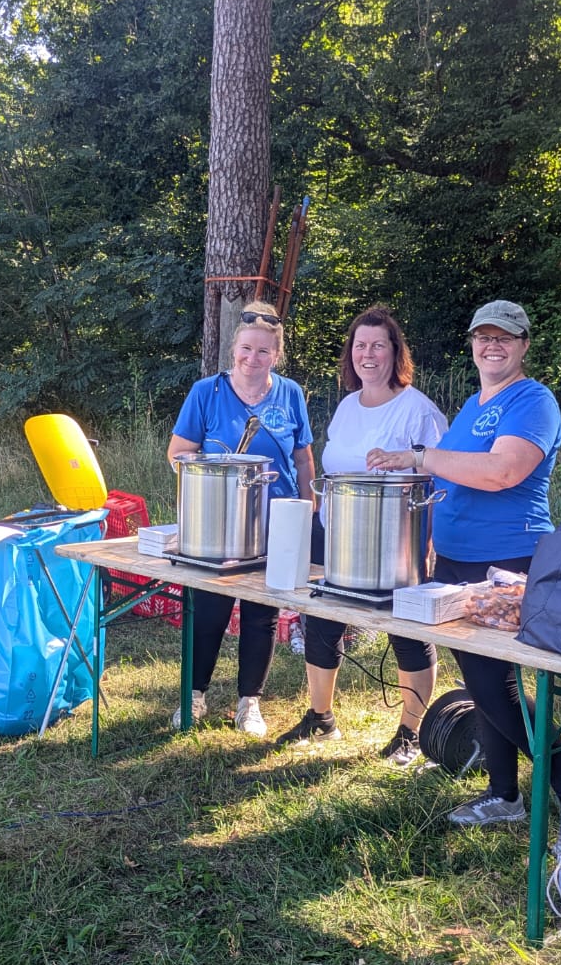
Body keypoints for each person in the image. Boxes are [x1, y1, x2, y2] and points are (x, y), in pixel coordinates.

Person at [366, 299, 561, 857]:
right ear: (472, 345)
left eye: (505, 337)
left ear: (524, 345)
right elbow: (454, 480)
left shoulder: (534, 401)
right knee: (480, 684)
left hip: (507, 563)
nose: (492, 346)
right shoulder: (474, 404)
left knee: (497, 690)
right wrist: (430, 541)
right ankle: (504, 795)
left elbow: (502, 472)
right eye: (483, 337)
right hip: (454, 562)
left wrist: (419, 457)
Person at [274, 305, 447, 765]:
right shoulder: (348, 407)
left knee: (406, 633)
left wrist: (429, 543)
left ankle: (411, 732)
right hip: (336, 534)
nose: (367, 354)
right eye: (360, 345)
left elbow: (442, 478)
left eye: (378, 345)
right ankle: (321, 717)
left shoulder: (419, 410)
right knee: (322, 619)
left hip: (396, 541)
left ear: (396, 352)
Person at [167, 302, 316, 736]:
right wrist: (209, 476)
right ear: (233, 348)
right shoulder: (206, 392)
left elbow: (304, 459)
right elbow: (178, 454)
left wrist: (308, 508)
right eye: (246, 349)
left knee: (261, 613)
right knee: (209, 608)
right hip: (217, 520)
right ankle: (193, 694)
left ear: (277, 356)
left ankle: (249, 702)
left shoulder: (290, 394)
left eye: (264, 352)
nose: (253, 359)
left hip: (276, 521)